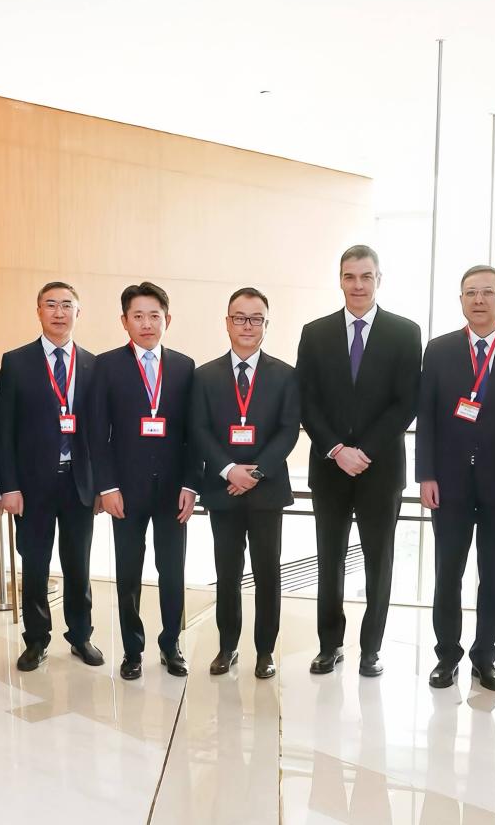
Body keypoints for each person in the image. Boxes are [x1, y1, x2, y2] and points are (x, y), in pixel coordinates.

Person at [416, 265, 495, 691]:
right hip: (448, 483)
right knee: (447, 573)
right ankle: (446, 656)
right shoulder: (439, 349)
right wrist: (425, 474)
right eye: (470, 292)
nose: (479, 300)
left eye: (487, 292)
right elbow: (427, 416)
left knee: (494, 575)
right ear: (461, 300)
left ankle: (485, 657)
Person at [296, 245, 421, 677]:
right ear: (340, 280)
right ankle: (329, 645)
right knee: (328, 560)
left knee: (378, 562)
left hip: (380, 469)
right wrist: (336, 449)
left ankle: (371, 649)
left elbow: (406, 402)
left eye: (366, 276)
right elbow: (306, 400)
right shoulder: (315, 333)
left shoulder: (405, 333)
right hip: (329, 468)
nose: (358, 285)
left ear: (378, 280)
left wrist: (363, 450)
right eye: (350, 276)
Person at [89, 282, 199, 680]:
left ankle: (171, 645)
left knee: (172, 572)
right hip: (126, 492)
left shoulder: (185, 366)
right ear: (124, 321)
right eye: (138, 316)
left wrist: (191, 485)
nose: (147, 323)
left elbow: (194, 433)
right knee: (128, 574)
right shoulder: (106, 365)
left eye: (154, 316)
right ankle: (132, 650)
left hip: (173, 492)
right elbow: (97, 432)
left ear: (167, 319)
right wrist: (107, 487)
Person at [191, 288, 300, 679]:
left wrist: (255, 473)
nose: (247, 326)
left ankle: (265, 651)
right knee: (228, 574)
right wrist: (228, 470)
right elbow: (199, 429)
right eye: (240, 317)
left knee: (268, 573)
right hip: (223, 490)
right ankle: (227, 646)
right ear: (227, 322)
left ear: (266, 324)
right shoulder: (204, 376)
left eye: (256, 319)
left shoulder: (285, 375)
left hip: (267, 491)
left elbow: (288, 430)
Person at [0, 282, 104, 671]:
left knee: (79, 565)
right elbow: (4, 430)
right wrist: (9, 486)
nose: (59, 313)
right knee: (35, 566)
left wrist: (101, 485)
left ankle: (81, 635)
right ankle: (36, 639)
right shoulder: (16, 361)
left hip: (79, 483)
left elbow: (101, 432)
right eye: (51, 305)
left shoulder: (93, 364)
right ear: (39, 311)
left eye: (66, 305)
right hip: (32, 486)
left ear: (78, 312)